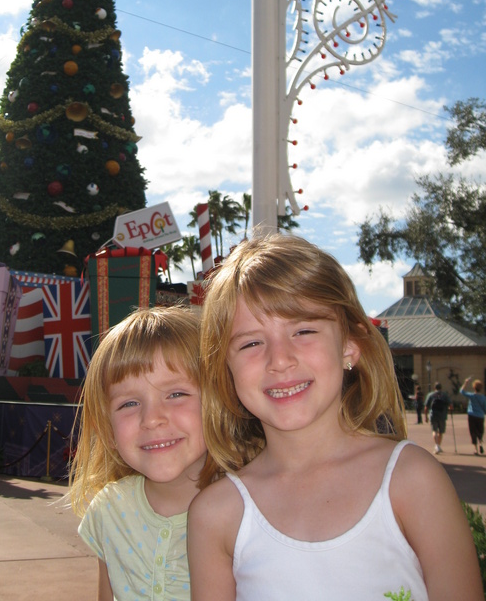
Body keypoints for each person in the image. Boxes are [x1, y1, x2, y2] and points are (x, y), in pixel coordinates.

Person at [188, 234, 482, 601]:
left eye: (304, 331)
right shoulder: (216, 515)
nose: (279, 359)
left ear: (350, 346)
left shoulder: (411, 480)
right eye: (250, 343)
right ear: (225, 369)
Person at [68, 306, 211, 601]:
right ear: (107, 430)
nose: (152, 418)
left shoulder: (247, 507)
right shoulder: (109, 510)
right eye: (129, 404)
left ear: (218, 403)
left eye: (176, 394)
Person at [460, 377, 486, 456]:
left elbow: (462, 391)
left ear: (474, 387)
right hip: (480, 416)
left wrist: (466, 382)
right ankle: (480, 442)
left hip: (472, 415)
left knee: (473, 431)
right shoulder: (483, 397)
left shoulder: (472, 396)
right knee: (480, 430)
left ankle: (475, 449)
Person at [424, 381, 452, 455]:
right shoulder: (444, 395)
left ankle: (436, 445)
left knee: (434, 430)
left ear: (434, 388)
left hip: (433, 414)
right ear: (441, 388)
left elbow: (426, 407)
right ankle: (438, 445)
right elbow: (451, 405)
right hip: (442, 415)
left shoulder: (431, 395)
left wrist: (425, 417)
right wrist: (449, 410)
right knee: (441, 431)